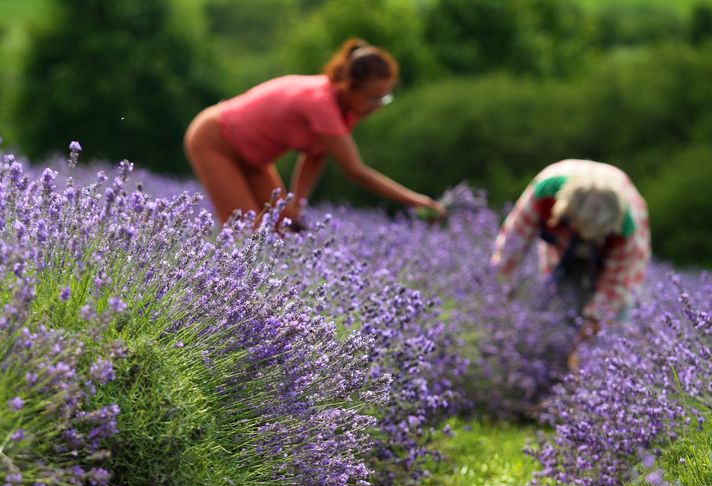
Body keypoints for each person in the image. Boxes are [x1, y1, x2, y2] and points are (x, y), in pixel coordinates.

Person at [183, 38, 445, 227]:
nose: (377, 107)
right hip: (216, 140)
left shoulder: (347, 110)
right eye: (373, 99)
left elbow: (315, 154)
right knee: (247, 233)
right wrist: (416, 200)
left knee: (282, 228)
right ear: (349, 87)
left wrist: (298, 205)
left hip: (253, 160)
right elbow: (355, 170)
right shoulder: (321, 104)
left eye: (384, 98)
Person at [490, 159, 651, 371]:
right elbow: (513, 243)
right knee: (559, 305)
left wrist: (592, 326)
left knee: (614, 327)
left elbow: (617, 284)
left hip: (611, 251)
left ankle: (600, 375)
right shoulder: (543, 193)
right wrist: (498, 291)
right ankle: (552, 368)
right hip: (561, 242)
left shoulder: (628, 225)